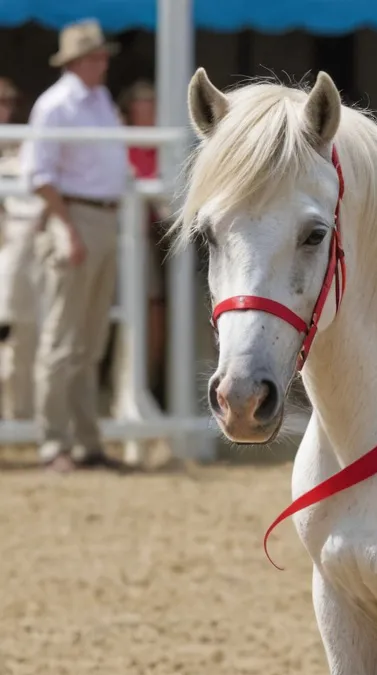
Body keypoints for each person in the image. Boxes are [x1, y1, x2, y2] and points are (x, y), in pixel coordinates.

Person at [22, 19, 129, 472]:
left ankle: (86, 442)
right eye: (96, 56)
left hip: (101, 215)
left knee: (89, 341)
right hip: (76, 215)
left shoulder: (98, 99)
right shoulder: (55, 105)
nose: (103, 62)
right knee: (64, 339)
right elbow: (39, 174)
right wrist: (66, 227)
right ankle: (54, 442)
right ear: (77, 61)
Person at [118, 79, 169, 407]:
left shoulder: (165, 144)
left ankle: (151, 387)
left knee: (156, 312)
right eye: (143, 102)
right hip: (128, 239)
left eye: (153, 101)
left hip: (160, 239)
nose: (149, 108)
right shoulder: (122, 141)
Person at [0, 77, 44, 422]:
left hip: (16, 252)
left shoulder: (19, 148)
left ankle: (20, 418)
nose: (4, 108)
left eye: (8, 101)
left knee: (20, 337)